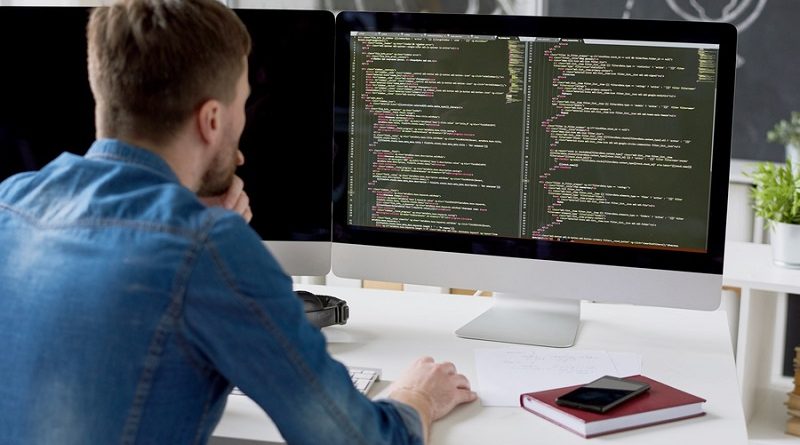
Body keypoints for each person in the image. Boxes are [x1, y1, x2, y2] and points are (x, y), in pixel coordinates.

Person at [0, 0, 477, 443]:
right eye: (242, 103)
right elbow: (354, 437)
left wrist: (195, 232)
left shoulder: (11, 200)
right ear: (211, 119)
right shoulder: (207, 247)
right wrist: (419, 396)